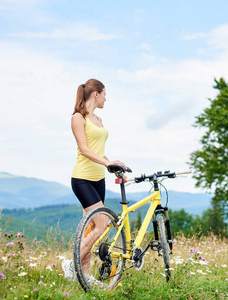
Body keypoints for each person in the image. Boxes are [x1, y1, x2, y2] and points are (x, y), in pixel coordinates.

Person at [62, 79, 128, 282]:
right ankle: (71, 264)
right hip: (82, 179)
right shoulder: (77, 118)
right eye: (105, 94)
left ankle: (84, 274)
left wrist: (112, 166)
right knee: (102, 224)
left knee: (90, 228)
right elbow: (85, 149)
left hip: (99, 180)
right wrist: (108, 163)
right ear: (95, 94)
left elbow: (98, 151)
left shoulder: (98, 118)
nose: (106, 98)